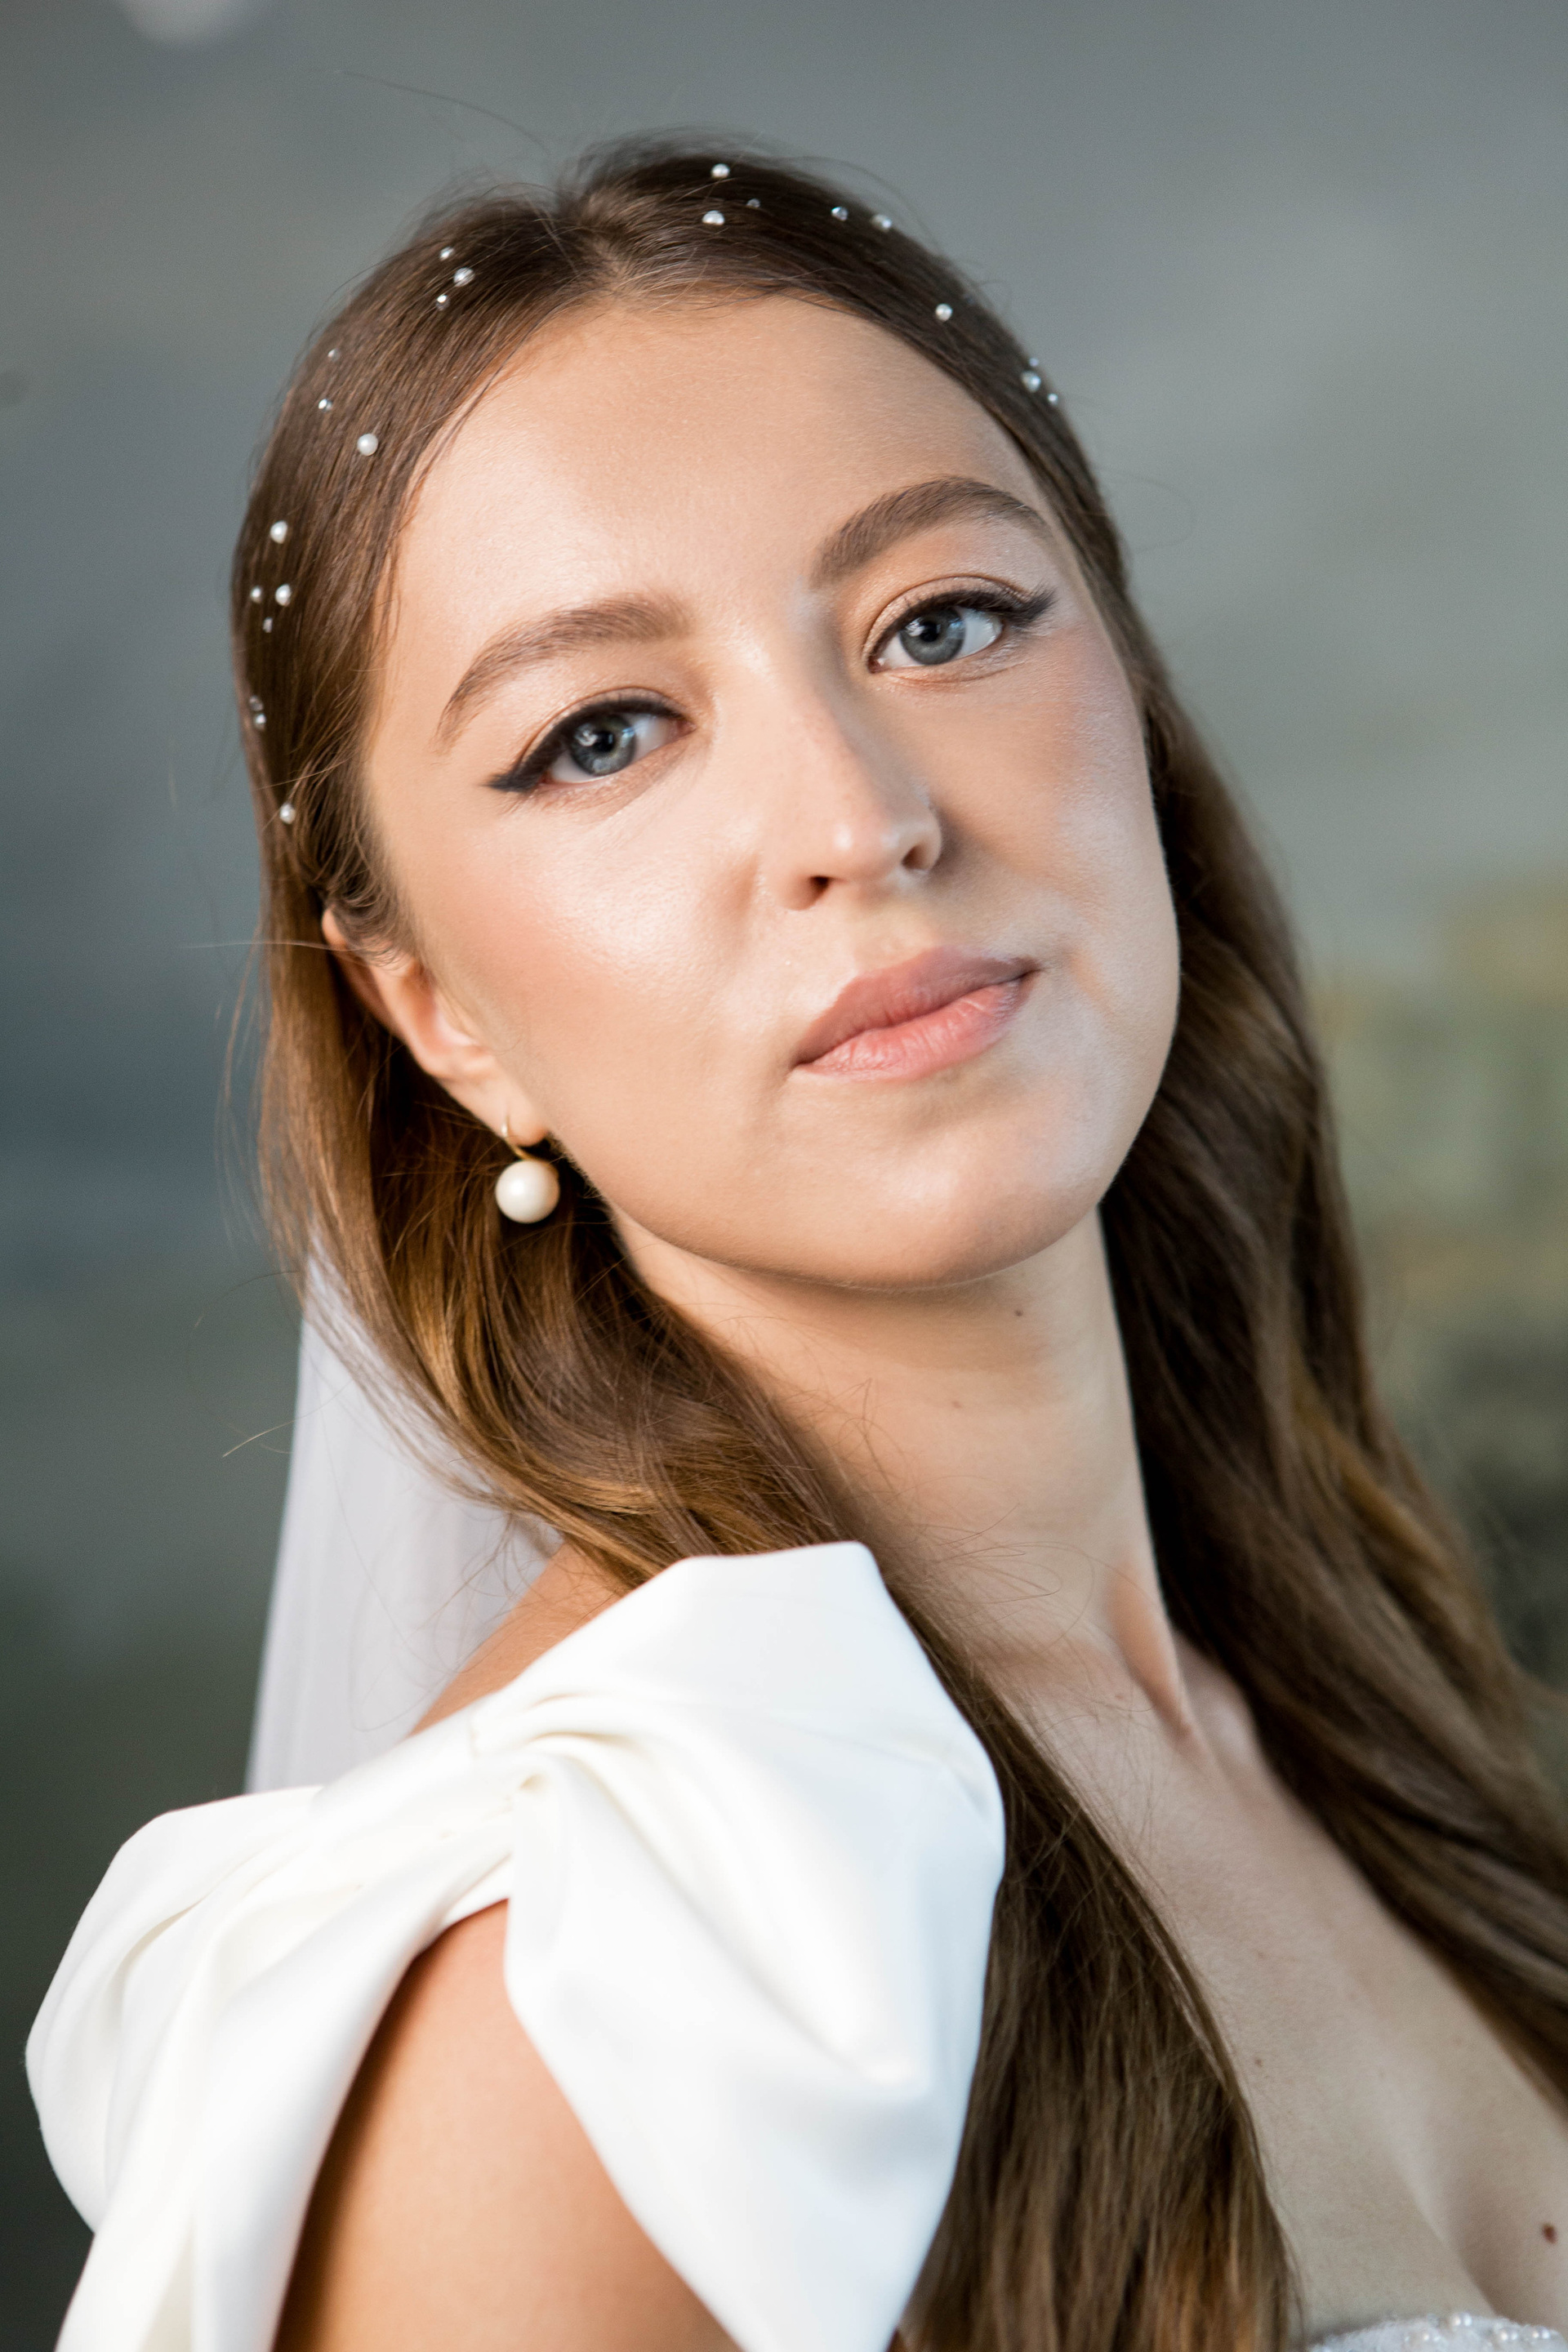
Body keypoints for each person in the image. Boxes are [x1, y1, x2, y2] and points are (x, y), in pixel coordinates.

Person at [28, 139, 1568, 2352]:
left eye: (945, 622)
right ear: (437, 1016)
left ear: (1130, 690)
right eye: (602, 736)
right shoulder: (567, 1991)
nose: (863, 820)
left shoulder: (1358, 1716)